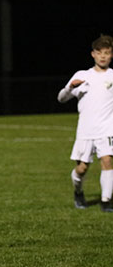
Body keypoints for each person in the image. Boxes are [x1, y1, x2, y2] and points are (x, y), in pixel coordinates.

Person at [57, 34, 113, 212]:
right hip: (86, 131)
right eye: (99, 52)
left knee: (107, 161)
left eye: (107, 53)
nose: (103, 56)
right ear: (93, 54)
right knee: (81, 169)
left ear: (111, 55)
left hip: (107, 129)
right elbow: (61, 99)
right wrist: (70, 87)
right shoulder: (82, 75)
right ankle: (78, 191)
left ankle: (106, 201)